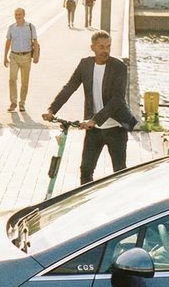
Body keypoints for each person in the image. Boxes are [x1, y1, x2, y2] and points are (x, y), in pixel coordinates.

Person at [43, 30, 138, 184]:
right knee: (86, 170)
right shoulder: (85, 65)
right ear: (92, 47)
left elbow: (117, 99)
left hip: (115, 127)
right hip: (94, 130)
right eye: (101, 47)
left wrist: (95, 120)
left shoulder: (119, 67)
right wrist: (52, 110)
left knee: (119, 171)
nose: (105, 50)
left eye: (108, 46)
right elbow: (70, 87)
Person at [2, 7, 39, 113]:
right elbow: (8, 42)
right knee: (12, 79)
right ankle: (13, 102)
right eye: (16, 14)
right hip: (14, 56)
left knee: (25, 81)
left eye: (19, 14)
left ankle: (22, 103)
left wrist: (35, 54)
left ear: (24, 15)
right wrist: (4, 57)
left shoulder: (30, 27)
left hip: (26, 57)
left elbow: (35, 41)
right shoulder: (11, 27)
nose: (18, 16)